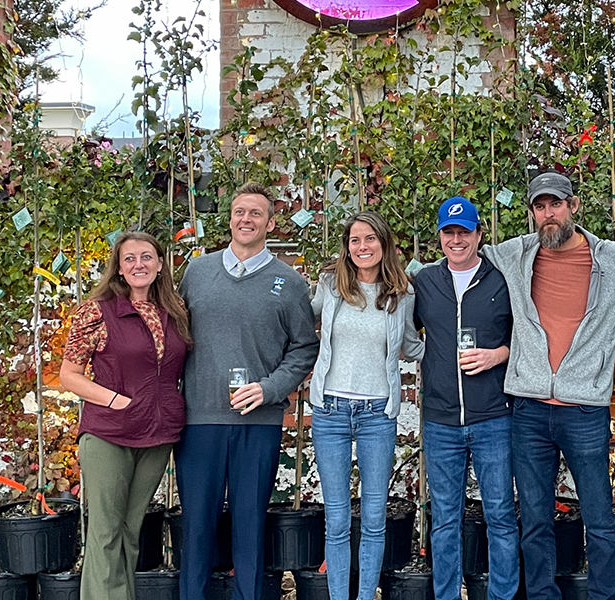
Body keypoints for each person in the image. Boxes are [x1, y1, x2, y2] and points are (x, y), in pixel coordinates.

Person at [479, 172, 615, 600]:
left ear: (574, 206)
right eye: (540, 206)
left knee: (599, 516)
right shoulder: (516, 254)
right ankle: (541, 595)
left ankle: (603, 595)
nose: (547, 214)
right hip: (529, 409)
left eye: (555, 205)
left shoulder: (612, 259)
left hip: (585, 409)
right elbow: (459, 258)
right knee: (534, 518)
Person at [176, 182, 320, 600]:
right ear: (230, 218)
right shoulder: (197, 272)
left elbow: (303, 346)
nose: (246, 220)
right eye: (240, 212)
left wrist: (271, 388)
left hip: (258, 422)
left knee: (250, 524)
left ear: (270, 223)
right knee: (197, 526)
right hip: (199, 419)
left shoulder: (288, 281)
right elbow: (174, 334)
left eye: (256, 213)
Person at [60, 231, 192, 600]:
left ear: (160, 263)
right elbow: (68, 375)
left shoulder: (175, 310)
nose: (139, 264)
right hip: (108, 433)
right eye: (130, 258)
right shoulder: (96, 311)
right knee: (105, 532)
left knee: (130, 530)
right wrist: (116, 401)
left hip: (158, 433)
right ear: (119, 268)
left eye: (147, 257)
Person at [310, 210, 424, 600]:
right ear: (347, 247)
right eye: (355, 240)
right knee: (337, 519)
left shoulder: (402, 294)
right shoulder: (329, 285)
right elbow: (298, 324)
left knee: (375, 519)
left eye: (370, 239)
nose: (363, 246)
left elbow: (410, 344)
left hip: (378, 413)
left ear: (384, 244)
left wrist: (446, 349)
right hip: (331, 411)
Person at [413, 197, 517, 600]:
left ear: (478, 234)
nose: (457, 240)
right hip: (440, 420)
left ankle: (502, 595)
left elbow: (523, 337)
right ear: (440, 236)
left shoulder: (500, 279)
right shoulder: (425, 281)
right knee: (444, 520)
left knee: (501, 516)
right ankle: (446, 594)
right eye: (449, 232)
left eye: (465, 232)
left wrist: (496, 355)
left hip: (492, 416)